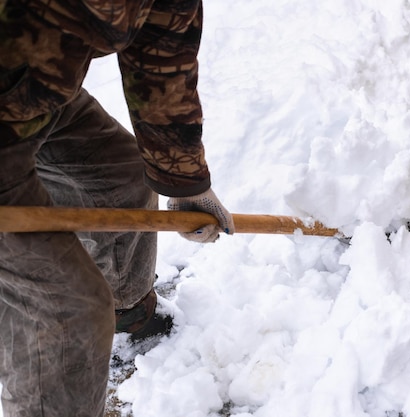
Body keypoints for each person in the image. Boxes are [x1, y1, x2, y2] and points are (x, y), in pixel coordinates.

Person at [0, 1, 235, 416]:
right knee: (68, 310)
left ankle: (127, 307)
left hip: (37, 92)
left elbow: (162, 54)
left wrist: (184, 179)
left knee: (121, 178)